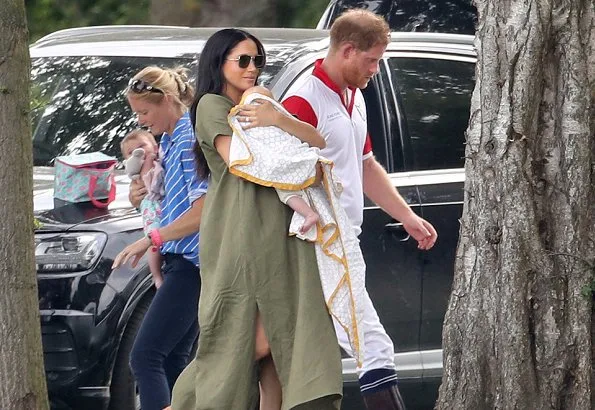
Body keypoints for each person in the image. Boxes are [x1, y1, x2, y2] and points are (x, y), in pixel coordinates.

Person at [171, 28, 343, 410]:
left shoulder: (262, 103)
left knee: (279, 352)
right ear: (219, 63)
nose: (252, 69)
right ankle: (182, 404)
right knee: (242, 342)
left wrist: (277, 120)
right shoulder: (211, 105)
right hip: (240, 233)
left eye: (257, 61)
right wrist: (298, 165)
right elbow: (243, 160)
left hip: (282, 236)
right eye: (243, 60)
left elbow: (315, 141)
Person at [282, 9, 438, 410]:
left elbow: (365, 164)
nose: (376, 69)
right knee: (371, 343)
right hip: (319, 241)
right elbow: (277, 173)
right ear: (348, 50)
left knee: (285, 350)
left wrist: (406, 216)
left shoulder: (354, 94)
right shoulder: (303, 99)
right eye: (372, 60)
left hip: (344, 236)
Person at [112, 66, 208, 410]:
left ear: (168, 101)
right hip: (178, 262)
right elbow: (171, 197)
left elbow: (203, 208)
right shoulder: (168, 140)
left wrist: (151, 238)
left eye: (145, 112)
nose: (141, 121)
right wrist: (143, 198)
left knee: (145, 357)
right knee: (172, 362)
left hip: (193, 264)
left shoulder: (188, 140)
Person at [235, 85, 321, 237]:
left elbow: (319, 141)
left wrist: (277, 118)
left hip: (288, 156)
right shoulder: (231, 112)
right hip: (284, 160)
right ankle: (308, 213)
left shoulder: (275, 117)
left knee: (286, 191)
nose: (252, 68)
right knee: (286, 191)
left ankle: (308, 213)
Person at [120, 129, 164, 288]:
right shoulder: (135, 176)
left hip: (169, 218)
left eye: (142, 146)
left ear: (155, 146)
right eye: (131, 152)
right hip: (151, 214)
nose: (138, 152)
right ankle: (156, 276)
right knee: (153, 244)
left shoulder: (164, 161)